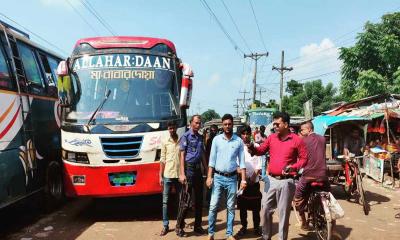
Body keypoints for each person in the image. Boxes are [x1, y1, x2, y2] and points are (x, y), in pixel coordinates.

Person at [247, 111, 308, 240]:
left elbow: (304, 159)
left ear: (286, 124)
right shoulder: (272, 138)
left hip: (287, 182)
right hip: (271, 180)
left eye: (277, 124)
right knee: (265, 208)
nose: (274, 126)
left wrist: (294, 167)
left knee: (283, 213)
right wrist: (252, 147)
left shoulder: (297, 140)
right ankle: (266, 236)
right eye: (274, 124)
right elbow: (261, 150)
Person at [206, 114, 247, 240]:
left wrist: (243, 180)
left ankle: (229, 234)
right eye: (225, 124)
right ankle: (211, 233)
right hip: (218, 177)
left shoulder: (238, 141)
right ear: (222, 125)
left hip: (232, 179)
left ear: (232, 125)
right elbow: (211, 161)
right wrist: (209, 177)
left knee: (230, 207)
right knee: (213, 206)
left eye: (229, 124)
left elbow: (242, 162)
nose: (227, 126)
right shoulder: (216, 140)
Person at [294, 121, 330, 230]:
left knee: (297, 197)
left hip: (308, 176)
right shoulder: (323, 139)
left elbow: (301, 159)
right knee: (329, 195)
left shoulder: (303, 141)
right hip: (323, 175)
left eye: (302, 130)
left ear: (309, 129)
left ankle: (304, 223)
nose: (301, 132)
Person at [176, 115, 207, 237]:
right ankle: (179, 227)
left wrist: (205, 168)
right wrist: (182, 173)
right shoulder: (186, 136)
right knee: (186, 201)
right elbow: (182, 156)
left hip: (198, 170)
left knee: (199, 200)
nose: (198, 125)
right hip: (189, 170)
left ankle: (198, 226)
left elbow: (202, 154)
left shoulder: (200, 137)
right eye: (196, 123)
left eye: (200, 123)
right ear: (191, 123)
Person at [237, 124, 263, 237]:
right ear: (240, 135)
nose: (246, 136)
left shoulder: (256, 146)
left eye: (247, 133)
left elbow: (259, 165)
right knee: (242, 208)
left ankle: (257, 228)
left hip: (254, 182)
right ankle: (244, 227)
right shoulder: (238, 148)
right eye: (243, 133)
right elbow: (236, 166)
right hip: (243, 182)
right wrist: (244, 178)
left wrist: (253, 177)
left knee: (256, 208)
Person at [159, 121, 181, 236]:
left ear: (176, 128)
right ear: (168, 129)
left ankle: (179, 224)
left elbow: (183, 158)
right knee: (165, 202)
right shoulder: (164, 141)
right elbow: (162, 159)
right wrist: (160, 176)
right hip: (167, 174)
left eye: (173, 128)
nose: (172, 130)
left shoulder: (181, 140)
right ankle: (165, 225)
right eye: (170, 128)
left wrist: (183, 174)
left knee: (180, 201)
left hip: (178, 175)